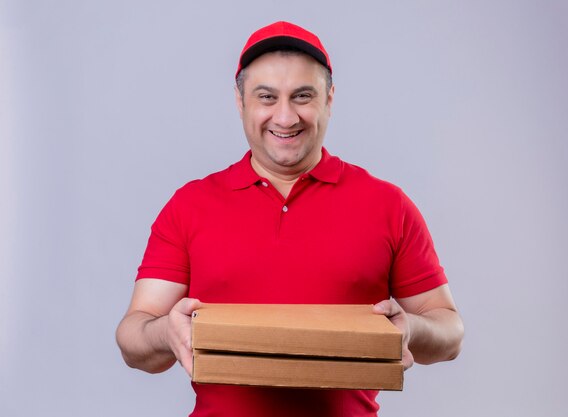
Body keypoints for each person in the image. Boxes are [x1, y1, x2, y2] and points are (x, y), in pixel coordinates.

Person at [116, 21, 464, 417]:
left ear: (329, 99)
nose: (285, 117)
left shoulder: (388, 205)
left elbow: (450, 332)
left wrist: (412, 330)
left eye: (303, 96)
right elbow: (133, 336)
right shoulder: (189, 205)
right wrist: (166, 332)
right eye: (266, 97)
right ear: (240, 100)